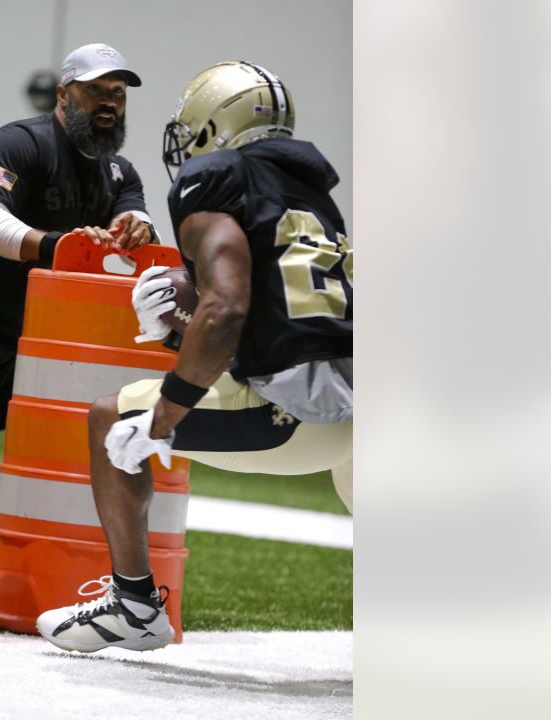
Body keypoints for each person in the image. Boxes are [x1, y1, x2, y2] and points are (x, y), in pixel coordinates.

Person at [36, 61, 354, 653]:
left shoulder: (216, 177)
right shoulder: (311, 198)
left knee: (112, 416)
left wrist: (162, 418)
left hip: (292, 417)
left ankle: (135, 608)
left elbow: (229, 309)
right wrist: (180, 331)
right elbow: (291, 322)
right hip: (357, 418)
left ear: (214, 127)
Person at [0, 42, 160, 432]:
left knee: (57, 430)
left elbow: (133, 223)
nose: (108, 102)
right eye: (94, 90)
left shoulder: (120, 173)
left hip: (41, 328)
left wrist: (138, 231)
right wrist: (57, 245)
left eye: (117, 93)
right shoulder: (20, 143)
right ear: (63, 94)